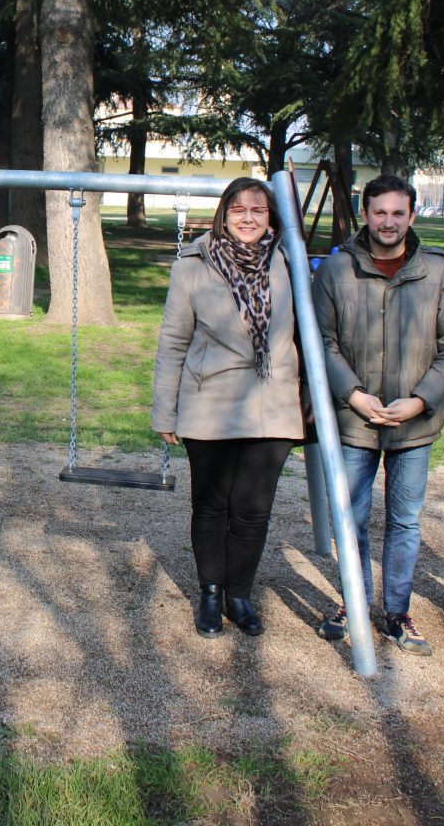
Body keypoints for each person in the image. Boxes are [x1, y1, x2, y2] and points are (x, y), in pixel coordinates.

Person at [310, 174, 444, 656]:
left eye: (398, 213)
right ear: (366, 215)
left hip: (414, 421)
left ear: (412, 216)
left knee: (404, 520)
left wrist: (421, 400)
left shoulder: (437, 272)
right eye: (379, 212)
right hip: (355, 419)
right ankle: (352, 601)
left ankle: (397, 611)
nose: (388, 221)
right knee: (351, 516)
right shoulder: (337, 272)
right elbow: (321, 341)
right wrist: (354, 395)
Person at [153, 177, 304, 638]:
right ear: (224, 214)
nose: (248, 218)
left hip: (272, 402)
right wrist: (165, 411)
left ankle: (240, 594)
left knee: (253, 507)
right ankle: (211, 593)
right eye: (238, 209)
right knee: (212, 504)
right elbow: (174, 341)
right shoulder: (194, 265)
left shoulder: (288, 262)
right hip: (209, 402)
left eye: (258, 210)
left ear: (272, 218)